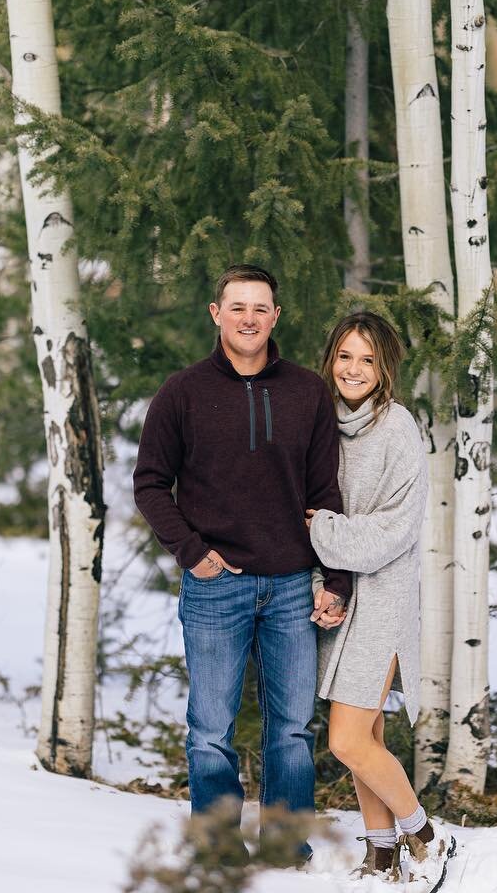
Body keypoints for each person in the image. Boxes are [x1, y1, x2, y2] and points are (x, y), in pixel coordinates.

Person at [132, 264, 349, 854]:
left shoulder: (307, 392)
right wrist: (192, 551)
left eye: (260, 308)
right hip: (214, 586)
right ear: (216, 313)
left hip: (289, 586)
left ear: (276, 316)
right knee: (208, 732)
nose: (249, 318)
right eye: (237, 307)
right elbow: (150, 484)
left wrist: (336, 578)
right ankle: (218, 849)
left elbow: (326, 494)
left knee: (292, 731)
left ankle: (284, 845)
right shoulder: (183, 392)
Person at [306, 311, 456, 883]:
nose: (354, 369)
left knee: (346, 739)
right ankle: (382, 852)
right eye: (345, 355)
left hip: (384, 599)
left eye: (368, 359)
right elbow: (313, 509)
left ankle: (424, 835)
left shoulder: (398, 429)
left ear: (385, 367)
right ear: (331, 359)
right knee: (367, 735)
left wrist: (322, 529)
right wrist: (324, 583)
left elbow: (393, 531)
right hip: (341, 596)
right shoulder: (322, 424)